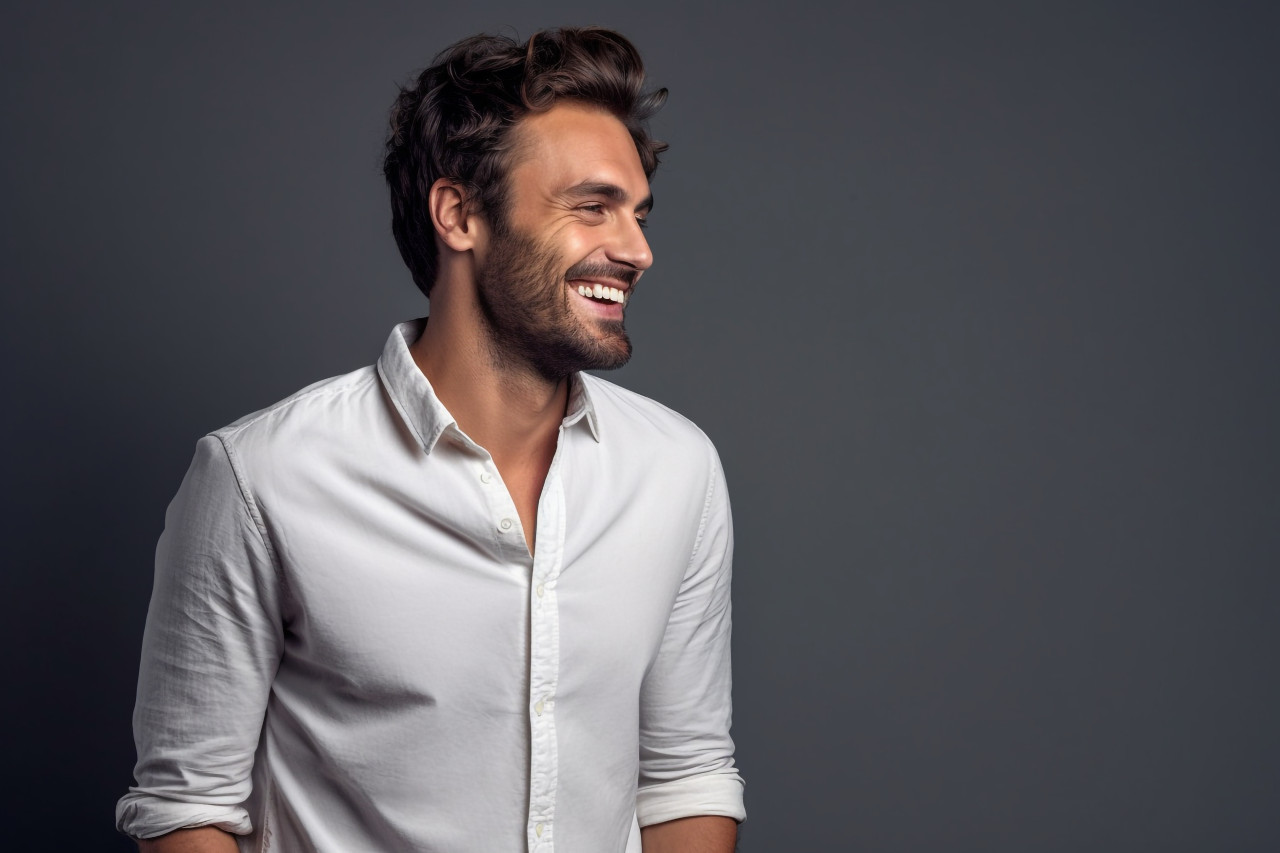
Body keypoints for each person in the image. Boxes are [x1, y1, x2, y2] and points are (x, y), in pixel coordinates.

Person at [116, 26, 744, 853]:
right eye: (593, 206)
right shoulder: (260, 477)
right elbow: (185, 805)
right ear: (459, 214)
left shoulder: (676, 470)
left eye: (636, 212)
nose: (636, 249)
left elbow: (687, 773)